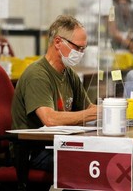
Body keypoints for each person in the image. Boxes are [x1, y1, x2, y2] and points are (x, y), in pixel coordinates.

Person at [11, 15, 98, 172]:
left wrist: (109, 110)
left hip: (58, 144)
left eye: (84, 49)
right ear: (58, 42)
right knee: (87, 166)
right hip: (33, 150)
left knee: (97, 161)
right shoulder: (37, 75)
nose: (81, 53)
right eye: (78, 48)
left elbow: (89, 108)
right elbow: (50, 119)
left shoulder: (69, 74)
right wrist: (96, 113)